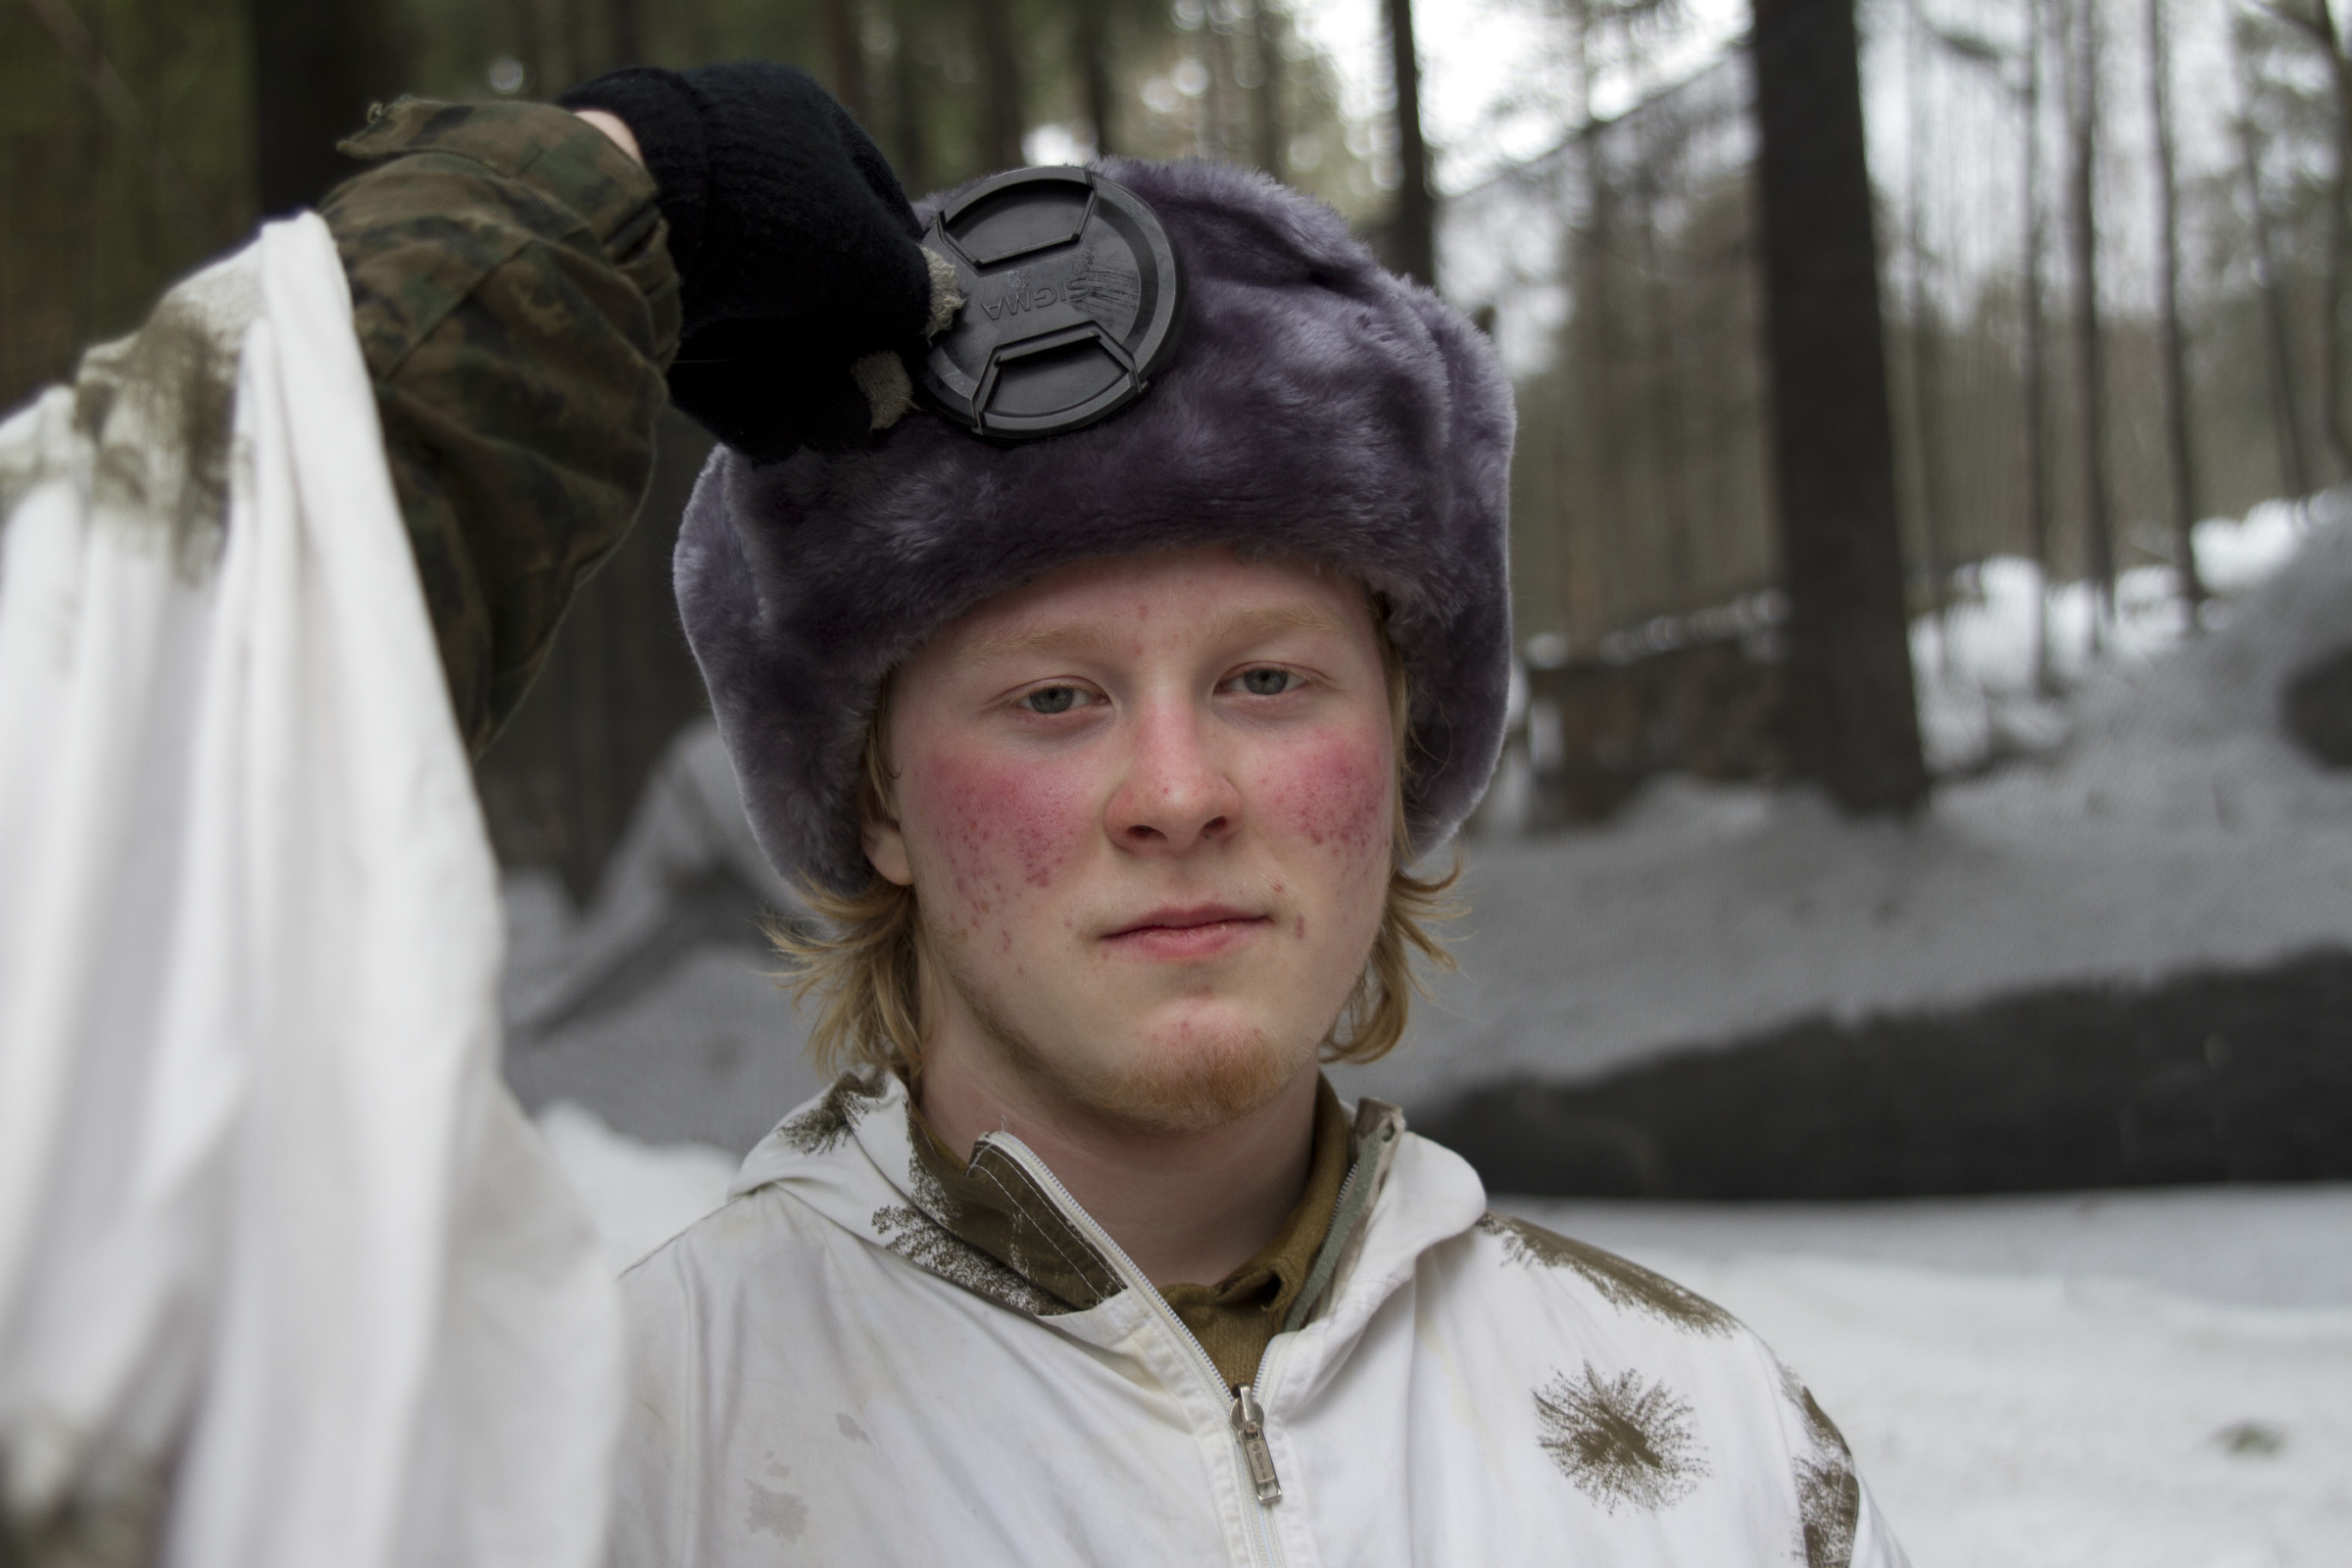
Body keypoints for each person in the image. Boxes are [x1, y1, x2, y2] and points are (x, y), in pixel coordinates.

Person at [589, 78, 1911, 1568]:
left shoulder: (1715, 1457)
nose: (1178, 795)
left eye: (1267, 680)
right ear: (877, 795)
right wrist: (580, 190)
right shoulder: (612, 1465)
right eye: (1054, 699)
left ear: (1400, 747)